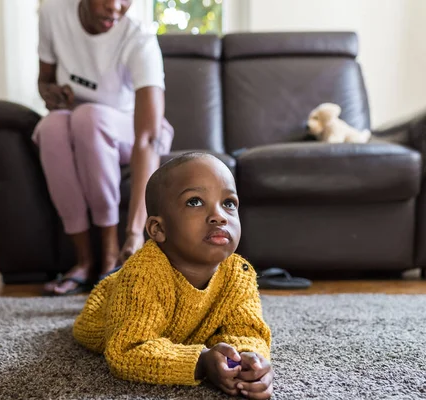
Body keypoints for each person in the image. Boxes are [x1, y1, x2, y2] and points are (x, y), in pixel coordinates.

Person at [73, 153, 274, 399]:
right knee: (111, 308)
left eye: (229, 203)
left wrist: (247, 360)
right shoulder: (142, 276)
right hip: (113, 304)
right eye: (195, 202)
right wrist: (201, 362)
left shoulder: (239, 275)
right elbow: (127, 351)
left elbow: (248, 331)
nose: (219, 215)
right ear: (158, 228)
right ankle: (114, 274)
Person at [33, 0, 174, 295]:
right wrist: (52, 94)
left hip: (128, 127)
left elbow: (148, 136)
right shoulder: (52, 13)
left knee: (89, 117)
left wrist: (136, 235)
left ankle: (110, 257)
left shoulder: (138, 37)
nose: (117, 7)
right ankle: (83, 261)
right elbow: (44, 81)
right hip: (74, 121)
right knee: (50, 127)